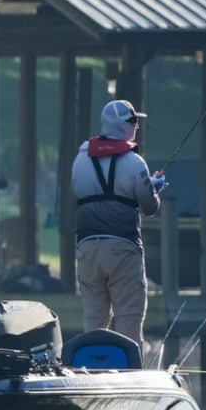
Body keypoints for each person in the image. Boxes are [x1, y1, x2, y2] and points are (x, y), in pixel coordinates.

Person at [70, 99, 165, 355]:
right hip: (123, 249)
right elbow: (149, 207)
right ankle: (130, 378)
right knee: (129, 321)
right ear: (125, 126)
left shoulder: (80, 159)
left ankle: (89, 373)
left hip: (87, 249)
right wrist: (154, 188)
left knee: (93, 321)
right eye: (134, 122)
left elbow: (79, 193)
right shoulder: (135, 163)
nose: (137, 127)